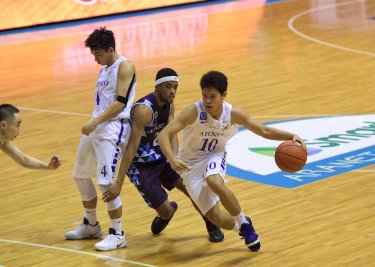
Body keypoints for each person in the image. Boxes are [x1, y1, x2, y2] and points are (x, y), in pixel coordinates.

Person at [158, 70, 307, 251]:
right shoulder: (194, 111)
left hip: (214, 155)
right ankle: (241, 227)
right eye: (205, 96)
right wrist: (172, 158)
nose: (207, 101)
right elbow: (164, 134)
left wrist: (291, 136)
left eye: (213, 97)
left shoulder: (234, 114)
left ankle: (244, 222)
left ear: (224, 95)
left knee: (214, 180)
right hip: (188, 165)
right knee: (216, 217)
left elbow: (264, 131)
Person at [102, 68, 224, 242]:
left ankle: (211, 224)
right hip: (140, 166)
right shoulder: (144, 111)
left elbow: (171, 133)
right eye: (168, 87)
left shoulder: (169, 104)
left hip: (162, 156)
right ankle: (167, 214)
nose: (173, 91)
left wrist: (174, 158)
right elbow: (130, 148)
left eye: (175, 87)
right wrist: (118, 182)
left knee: (192, 189)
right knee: (165, 210)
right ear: (157, 87)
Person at [64, 27, 136, 251]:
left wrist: (96, 122)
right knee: (80, 175)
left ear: (111, 49)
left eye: (98, 54)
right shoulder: (105, 69)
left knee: (105, 182)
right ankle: (91, 225)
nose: (95, 59)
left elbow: (121, 102)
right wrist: (94, 122)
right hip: (96, 125)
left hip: (113, 128)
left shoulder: (125, 65)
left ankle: (118, 233)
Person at [0, 104, 61, 170]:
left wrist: (47, 167)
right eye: (17, 125)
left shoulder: (3, 140)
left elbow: (24, 160)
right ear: (3, 125)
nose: (19, 130)